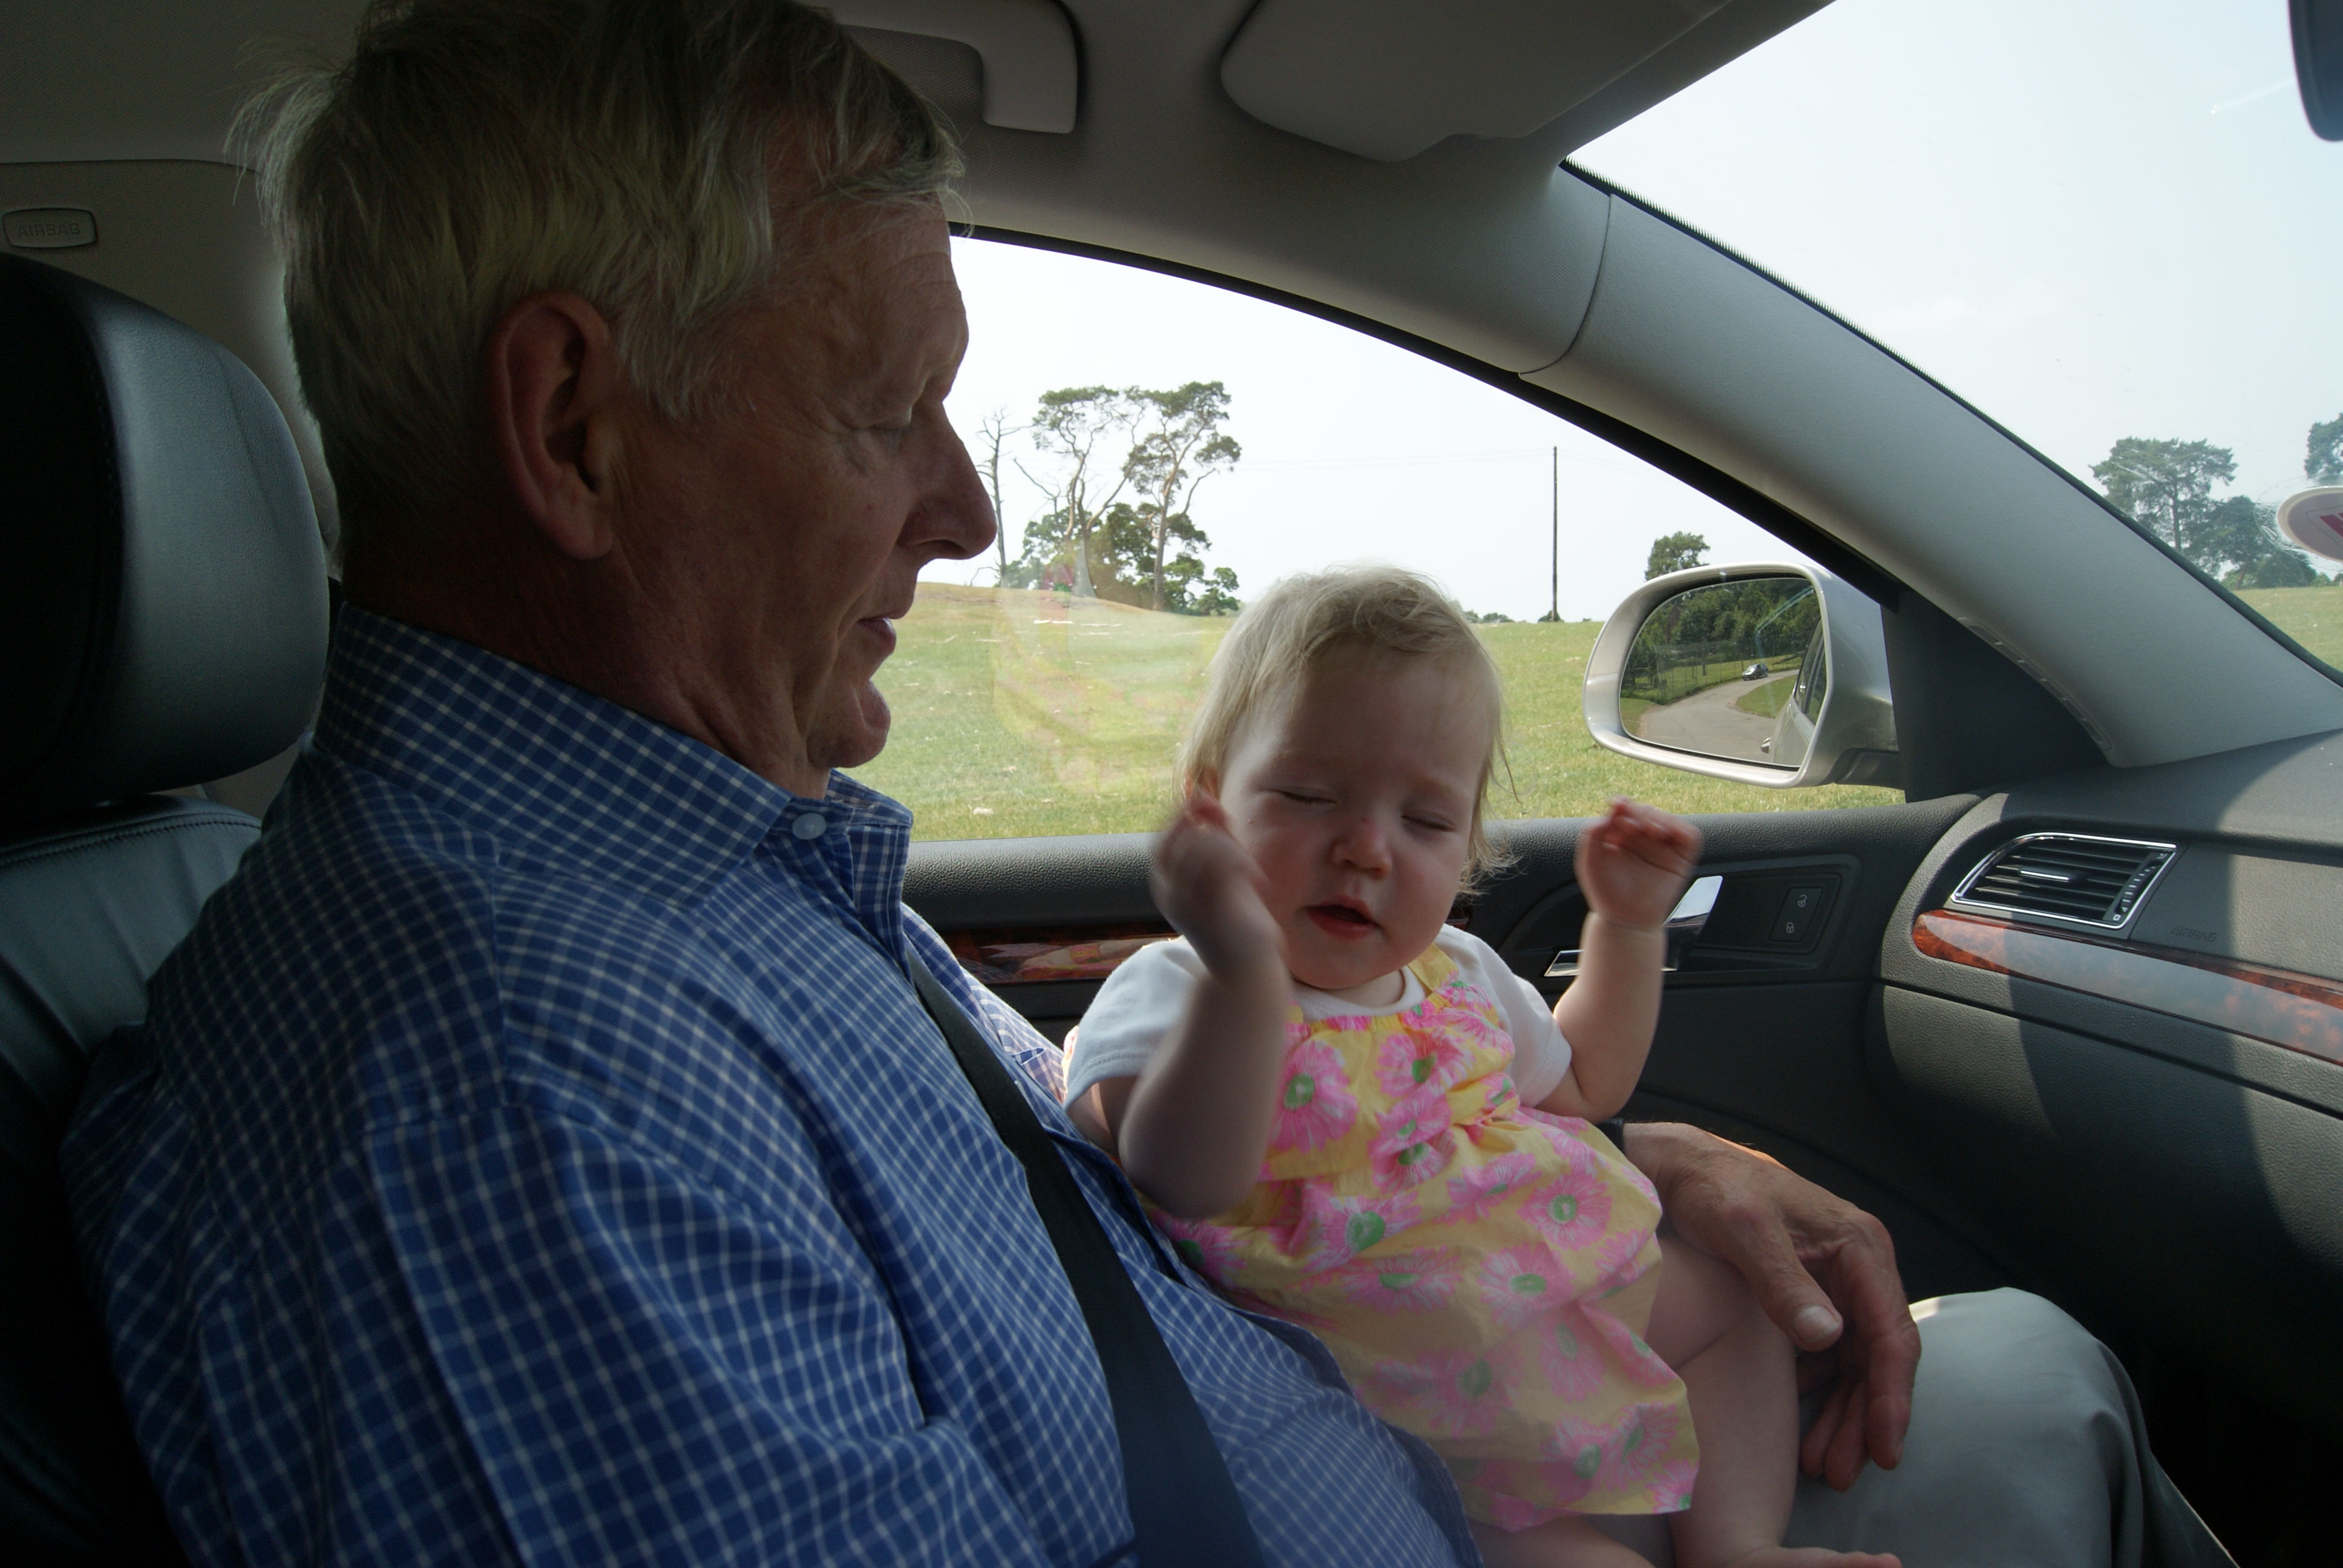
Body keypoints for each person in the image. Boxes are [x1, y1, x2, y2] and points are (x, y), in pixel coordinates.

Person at [58, 2, 2231, 1565]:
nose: (969, 508)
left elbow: (1107, 1212)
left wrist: (1596, 1171)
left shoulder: (694, 873)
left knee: (2013, 1366)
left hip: (1450, 1441)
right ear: (573, 428)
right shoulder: (502, 1093)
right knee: (2044, 1396)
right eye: (884, 412)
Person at [1066, 569, 1895, 1568]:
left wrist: (1627, 926)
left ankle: (1737, 1544)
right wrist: (1242, 974)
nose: (1366, 849)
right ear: (1209, 807)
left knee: (1736, 1308)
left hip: (1552, 1296)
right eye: (1309, 796)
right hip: (1398, 1416)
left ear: (1467, 848)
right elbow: (1181, 1176)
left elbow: (1586, 1087)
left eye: (1425, 821)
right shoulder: (1177, 985)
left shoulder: (1456, 972)